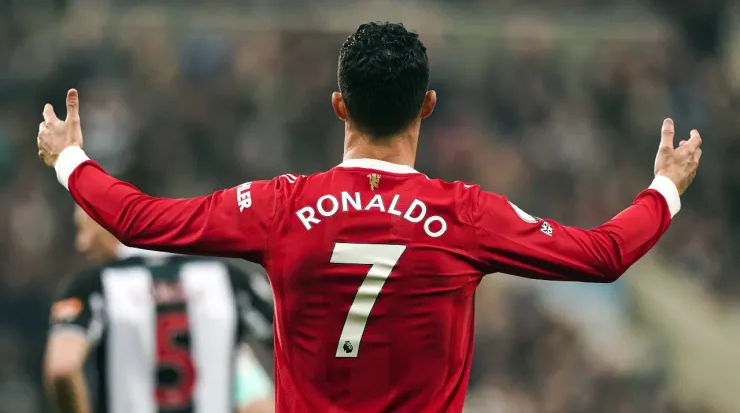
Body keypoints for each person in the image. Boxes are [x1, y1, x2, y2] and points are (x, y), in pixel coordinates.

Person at [36, 22, 702, 413]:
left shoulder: (281, 207)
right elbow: (603, 255)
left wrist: (70, 159)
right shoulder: (466, 215)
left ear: (338, 105)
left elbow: (141, 221)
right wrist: (664, 189)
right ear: (428, 105)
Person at [44, 206, 275, 413]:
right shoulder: (227, 279)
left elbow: (62, 368)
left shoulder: (95, 285)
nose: (82, 244)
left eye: (85, 229)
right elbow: (290, 347)